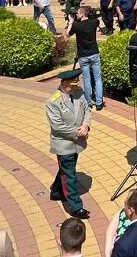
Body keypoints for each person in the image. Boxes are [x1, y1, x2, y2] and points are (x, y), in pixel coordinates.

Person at [46, 68, 91, 219]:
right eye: (71, 86)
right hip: (64, 144)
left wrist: (86, 126)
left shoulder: (79, 93)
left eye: (75, 85)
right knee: (70, 175)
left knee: (66, 170)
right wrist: (77, 133)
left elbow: (87, 111)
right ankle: (75, 206)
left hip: (78, 142)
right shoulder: (53, 102)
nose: (74, 88)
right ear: (63, 83)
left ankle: (56, 192)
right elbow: (57, 126)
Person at [67, 6, 104, 111]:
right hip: (94, 54)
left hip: (83, 56)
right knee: (97, 78)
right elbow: (99, 21)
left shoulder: (77, 26)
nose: (77, 14)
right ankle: (99, 103)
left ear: (82, 14)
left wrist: (71, 21)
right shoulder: (94, 22)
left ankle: (89, 102)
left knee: (87, 79)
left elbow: (67, 35)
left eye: (78, 13)